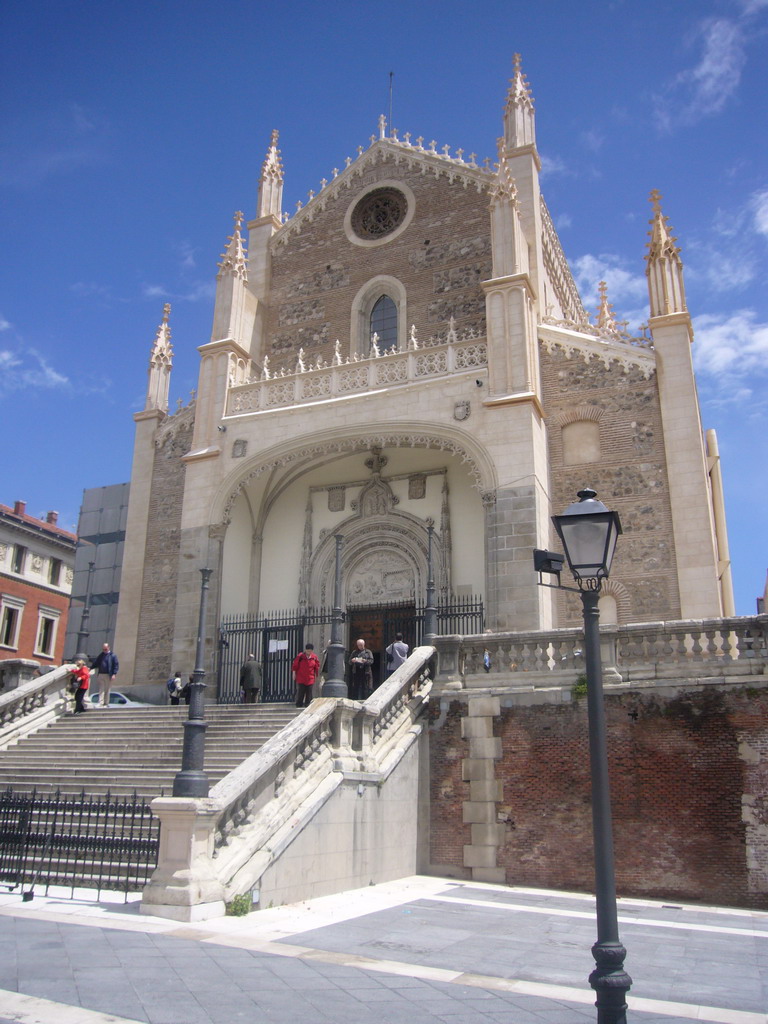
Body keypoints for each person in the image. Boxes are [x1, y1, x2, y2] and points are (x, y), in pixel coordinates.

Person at [292, 643, 320, 707]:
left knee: (309, 692)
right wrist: (294, 674)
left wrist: (316, 676)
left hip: (310, 678)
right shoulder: (300, 656)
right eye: (307, 651)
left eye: (310, 651)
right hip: (301, 677)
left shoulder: (314, 657)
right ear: (305, 650)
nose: (309, 652)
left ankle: (307, 704)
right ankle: (299, 704)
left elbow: (316, 667)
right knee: (301, 691)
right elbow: (295, 666)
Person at [91, 643, 119, 707]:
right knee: (101, 689)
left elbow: (116, 665)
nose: (104, 651)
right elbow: (96, 663)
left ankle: (106, 703)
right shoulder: (101, 655)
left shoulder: (113, 656)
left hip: (108, 674)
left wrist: (114, 674)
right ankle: (100, 702)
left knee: (107, 689)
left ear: (109, 647)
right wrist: (90, 668)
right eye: (103, 649)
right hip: (101, 674)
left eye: (105, 649)